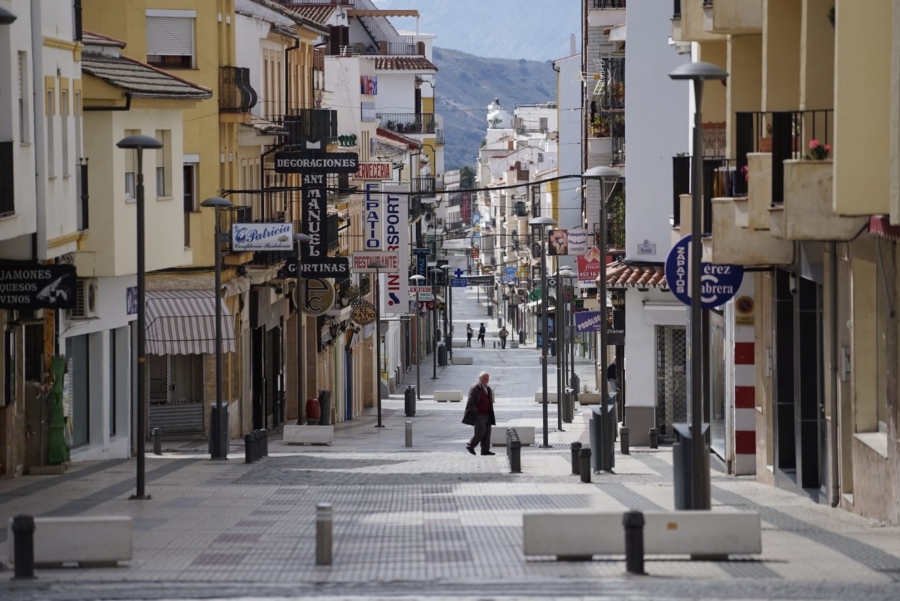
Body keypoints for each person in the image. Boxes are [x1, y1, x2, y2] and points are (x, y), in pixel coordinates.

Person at [462, 371, 496, 455]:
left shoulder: (488, 388)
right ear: (479, 378)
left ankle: (485, 449)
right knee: (481, 430)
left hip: (487, 413)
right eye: (484, 378)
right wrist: (475, 412)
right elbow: (471, 401)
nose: (486, 379)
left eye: (487, 378)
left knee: (487, 432)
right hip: (478, 414)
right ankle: (470, 445)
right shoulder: (475, 388)